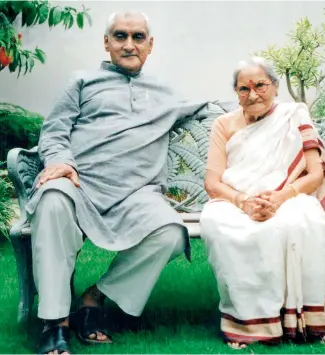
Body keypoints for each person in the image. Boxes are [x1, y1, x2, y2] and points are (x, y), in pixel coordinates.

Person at [27, 11, 204, 355]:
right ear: (106, 42)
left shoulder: (166, 93)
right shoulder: (81, 82)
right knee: (51, 199)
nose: (128, 44)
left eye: (138, 37)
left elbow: (223, 108)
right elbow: (55, 130)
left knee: (170, 233)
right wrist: (61, 162)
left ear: (150, 46)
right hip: (80, 184)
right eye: (120, 36)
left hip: (137, 195)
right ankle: (55, 323)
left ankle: (93, 301)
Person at [200, 57, 325, 349]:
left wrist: (280, 198)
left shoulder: (295, 115)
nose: (253, 94)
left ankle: (306, 320)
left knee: (299, 222)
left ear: (275, 87)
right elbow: (213, 182)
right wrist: (243, 202)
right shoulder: (224, 125)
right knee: (225, 227)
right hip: (237, 200)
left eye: (260, 85)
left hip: (290, 196)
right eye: (244, 89)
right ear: (236, 93)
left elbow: (315, 173)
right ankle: (248, 322)